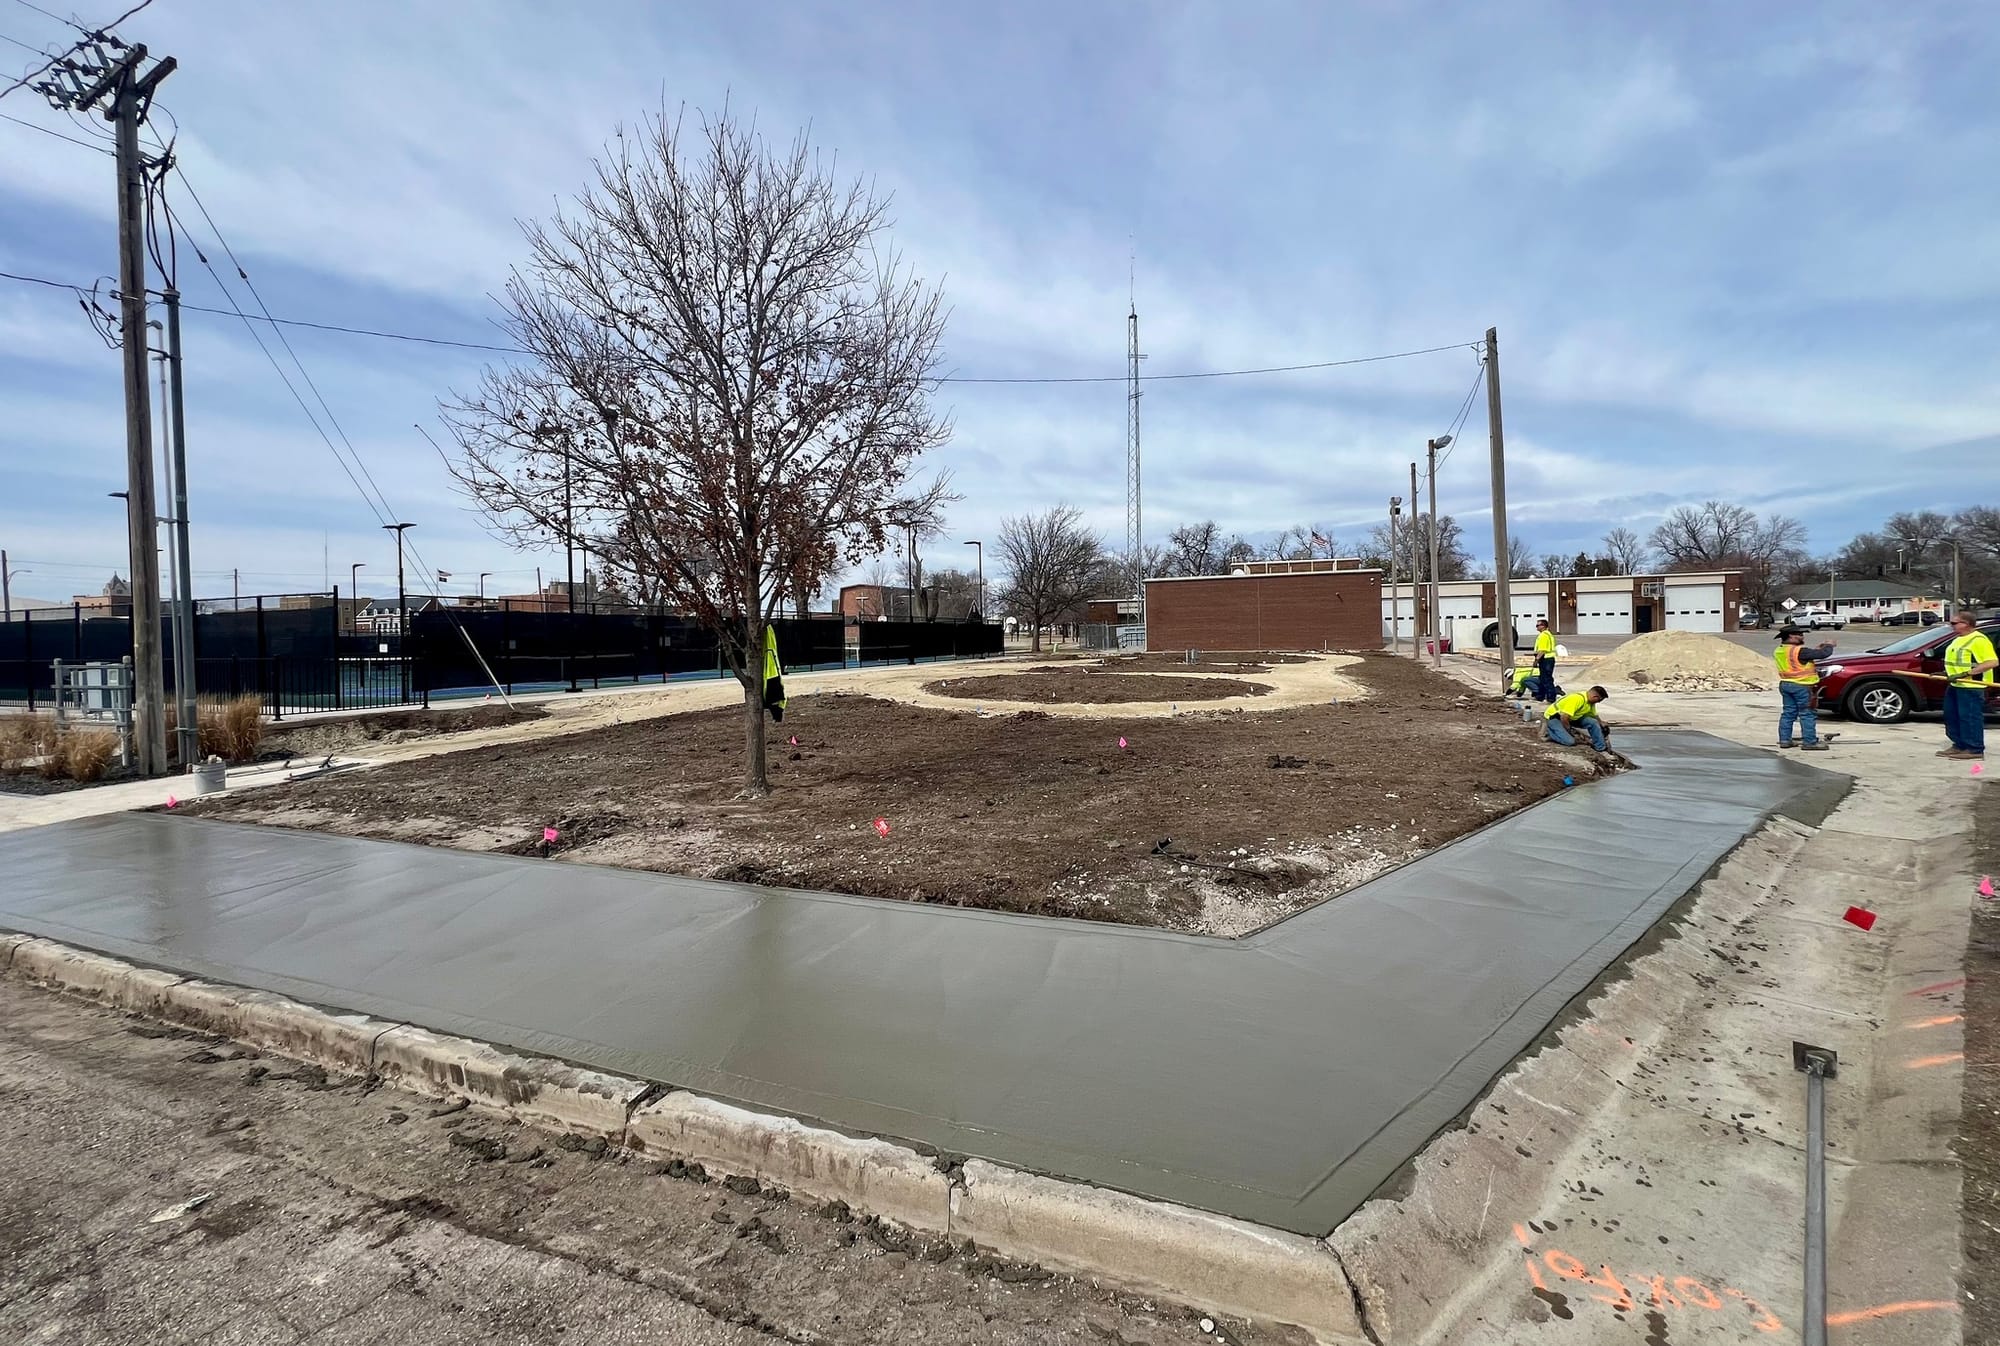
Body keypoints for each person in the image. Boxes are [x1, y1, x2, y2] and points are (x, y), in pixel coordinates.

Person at [1939, 612, 1996, 760]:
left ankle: (1974, 749)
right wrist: (1946, 672)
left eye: (1954, 623)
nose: (1951, 626)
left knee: (1969, 717)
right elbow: (1956, 662)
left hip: (1972, 685)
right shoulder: (1958, 640)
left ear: (1967, 624)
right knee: (1952, 716)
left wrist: (1966, 674)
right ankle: (1959, 745)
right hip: (1955, 684)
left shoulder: (1979, 640)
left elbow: (1992, 662)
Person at [1772, 625, 1832, 752]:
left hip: (1786, 684)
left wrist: (1815, 650)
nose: (1802, 636)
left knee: (1788, 713)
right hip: (1802, 686)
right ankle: (1809, 742)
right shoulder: (1799, 651)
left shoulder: (1780, 650)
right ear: (1791, 636)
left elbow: (1803, 658)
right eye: (1800, 634)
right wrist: (1829, 645)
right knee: (1807, 714)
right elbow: (1823, 654)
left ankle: (1785, 740)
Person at [1545, 685, 1610, 752]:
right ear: (1595, 697)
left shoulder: (1589, 701)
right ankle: (1549, 733)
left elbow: (1593, 715)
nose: (1598, 702)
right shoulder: (1577, 699)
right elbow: (1564, 717)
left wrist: (1601, 722)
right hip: (1555, 717)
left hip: (1571, 718)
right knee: (1570, 741)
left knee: (1593, 722)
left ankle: (1600, 747)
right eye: (1599, 700)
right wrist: (1569, 731)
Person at [1532, 619, 1558, 702]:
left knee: (1546, 679)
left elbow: (1542, 650)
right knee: (1543, 678)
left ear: (1543, 626)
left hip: (1546, 659)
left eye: (1538, 625)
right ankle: (1541, 695)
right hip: (1548, 659)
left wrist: (1536, 660)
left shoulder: (1544, 635)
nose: (1536, 627)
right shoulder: (1548, 634)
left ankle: (1551, 697)